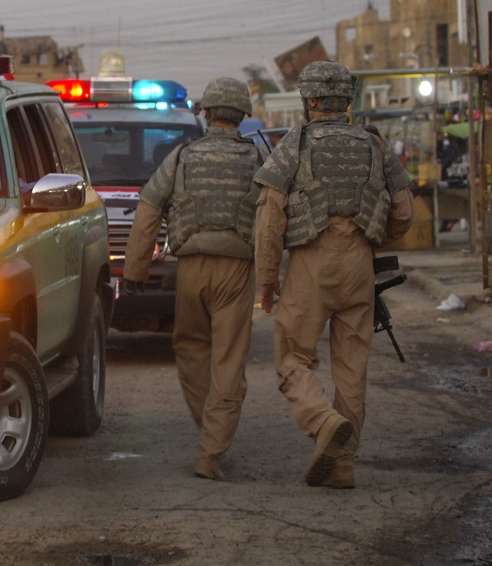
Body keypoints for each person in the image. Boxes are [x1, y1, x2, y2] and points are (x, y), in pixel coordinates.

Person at [253, 61, 414, 489]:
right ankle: (342, 464)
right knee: (352, 368)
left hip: (311, 262)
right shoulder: (375, 145)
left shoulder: (296, 143)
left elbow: (270, 218)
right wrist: (373, 239)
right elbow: (404, 211)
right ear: (347, 99)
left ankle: (323, 422)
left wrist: (268, 279)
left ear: (309, 100)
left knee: (291, 357)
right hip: (360, 263)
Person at [122, 77, 263, 481]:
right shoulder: (255, 160)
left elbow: (149, 208)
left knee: (190, 349)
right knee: (229, 360)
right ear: (241, 115)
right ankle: (212, 449)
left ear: (207, 112)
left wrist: (135, 271)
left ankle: (210, 435)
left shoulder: (182, 157)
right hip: (237, 270)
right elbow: (274, 215)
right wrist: (273, 276)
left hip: (190, 268)